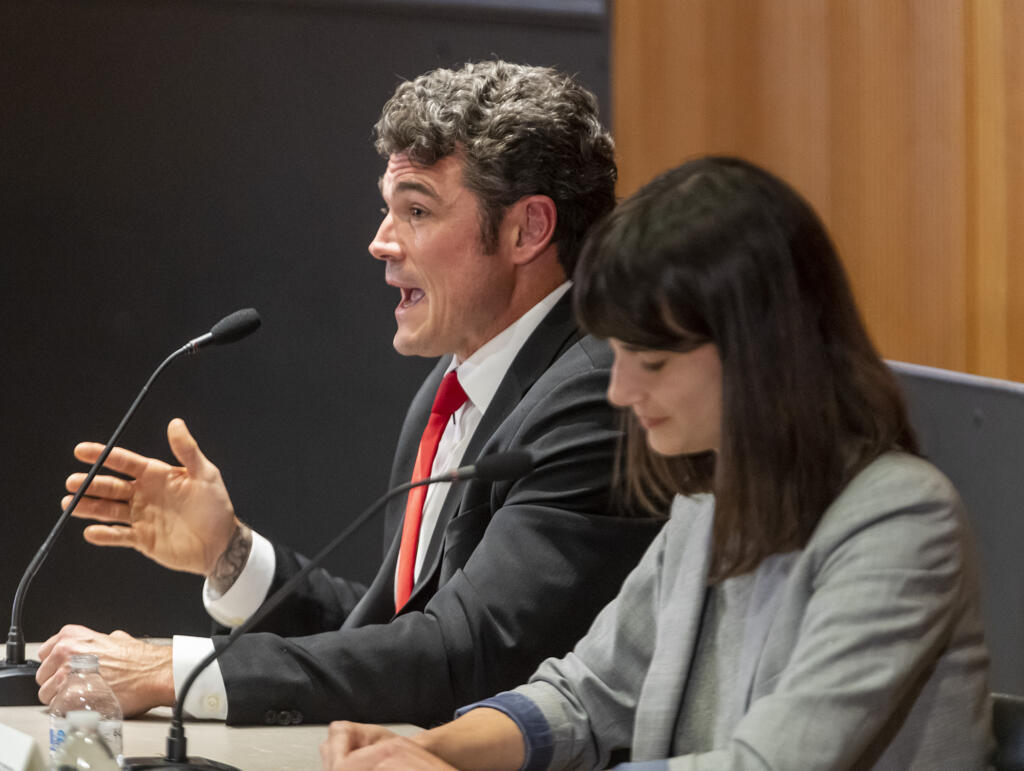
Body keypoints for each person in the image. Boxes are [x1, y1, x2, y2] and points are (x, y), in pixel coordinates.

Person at [35, 60, 663, 726]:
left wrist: (176, 670)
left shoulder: (599, 396)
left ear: (527, 230)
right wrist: (232, 553)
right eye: (387, 209)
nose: (379, 242)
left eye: (417, 210)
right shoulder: (449, 390)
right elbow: (395, 631)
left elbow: (464, 654)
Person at [320, 156, 993, 770]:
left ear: (758, 354)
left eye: (654, 363)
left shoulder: (900, 520)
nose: (620, 391)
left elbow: (768, 764)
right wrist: (424, 745)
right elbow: (585, 694)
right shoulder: (709, 501)